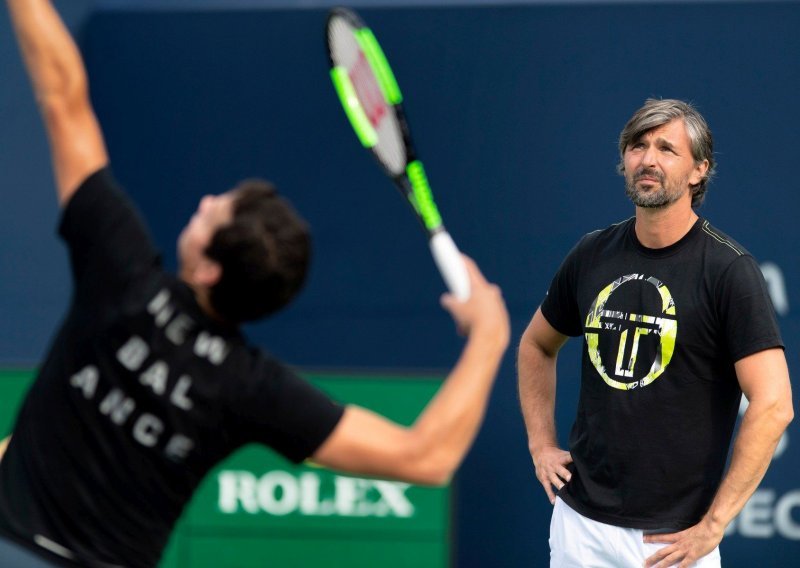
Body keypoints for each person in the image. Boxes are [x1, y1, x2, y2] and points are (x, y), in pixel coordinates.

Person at [0, 1, 510, 567]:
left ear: (209, 267)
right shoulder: (251, 390)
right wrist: (488, 336)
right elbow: (425, 457)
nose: (205, 202)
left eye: (214, 212)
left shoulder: (119, 273)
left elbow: (63, 96)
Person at [517, 98, 793, 568]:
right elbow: (536, 345)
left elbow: (774, 405)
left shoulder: (729, 270)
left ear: (698, 171)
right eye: (637, 146)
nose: (647, 159)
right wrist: (541, 445)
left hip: (673, 542)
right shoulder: (591, 254)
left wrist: (714, 524)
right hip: (580, 527)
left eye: (666, 148)